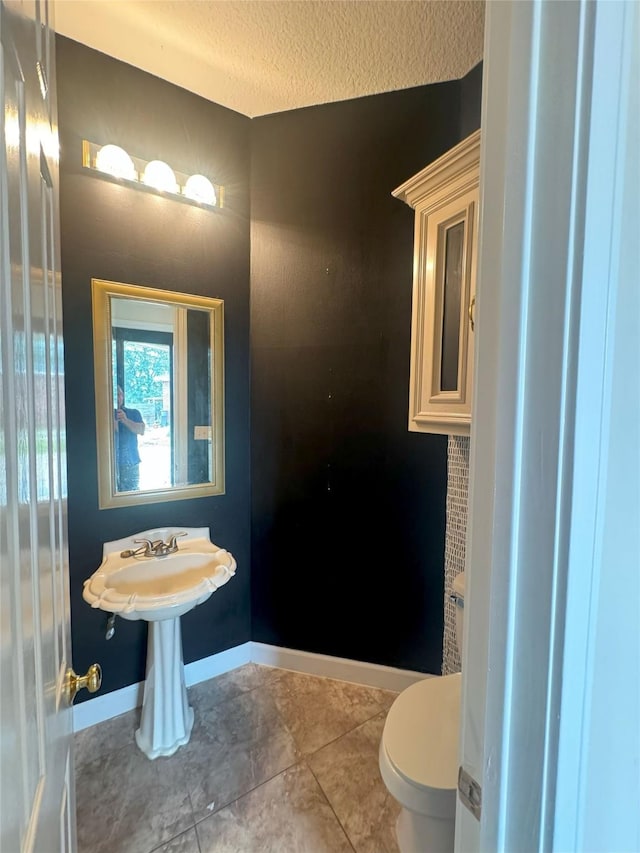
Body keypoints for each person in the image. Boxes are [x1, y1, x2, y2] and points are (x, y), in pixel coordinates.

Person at [114, 385, 145, 491]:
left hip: (131, 464)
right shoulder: (101, 415)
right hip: (108, 466)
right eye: (115, 395)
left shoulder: (133, 413)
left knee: (132, 498)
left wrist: (125, 420)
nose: (118, 398)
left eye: (120, 394)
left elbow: (141, 430)